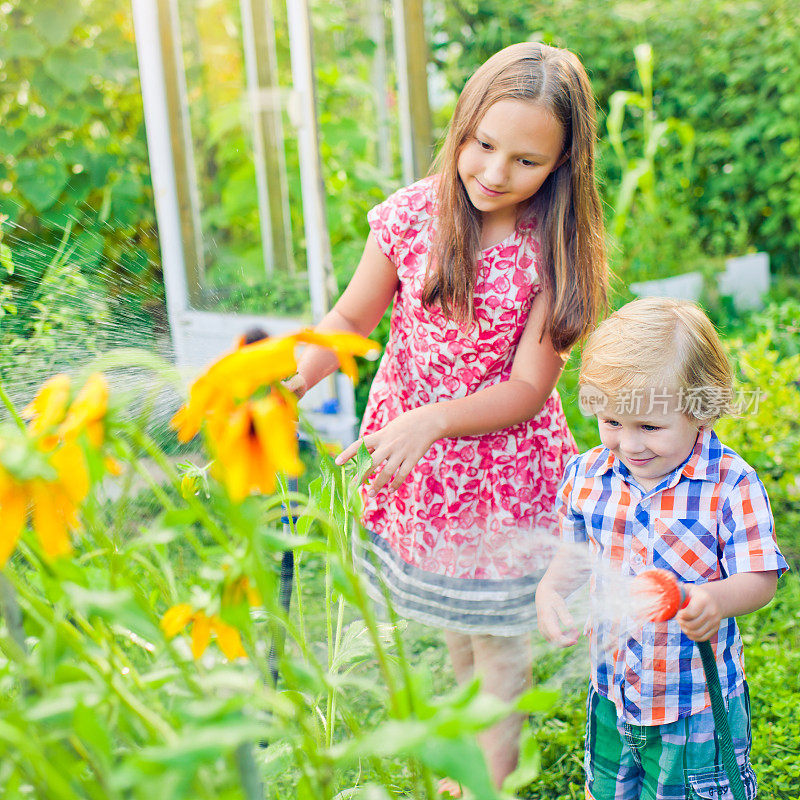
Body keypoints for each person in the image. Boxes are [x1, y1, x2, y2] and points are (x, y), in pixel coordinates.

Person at [286, 42, 607, 792]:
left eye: (526, 161)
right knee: (460, 632)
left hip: (502, 481)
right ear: (461, 127)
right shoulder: (408, 216)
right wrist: (286, 383)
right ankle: (470, 768)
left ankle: (487, 784)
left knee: (499, 644)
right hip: (422, 477)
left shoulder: (553, 252)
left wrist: (430, 420)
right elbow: (348, 319)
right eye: (483, 145)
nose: (495, 174)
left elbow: (529, 388)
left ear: (563, 164)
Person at [536, 298, 788, 800]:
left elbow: (761, 577)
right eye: (611, 422)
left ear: (702, 410)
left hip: (692, 699)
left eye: (649, 426)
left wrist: (716, 600)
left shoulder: (730, 484)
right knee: (608, 789)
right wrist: (550, 589)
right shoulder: (588, 476)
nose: (629, 445)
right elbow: (575, 555)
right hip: (613, 690)